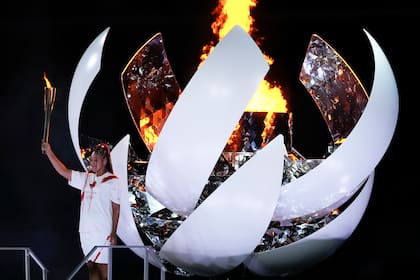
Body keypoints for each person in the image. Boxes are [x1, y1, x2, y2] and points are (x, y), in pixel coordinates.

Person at [41, 142, 121, 280]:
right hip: (85, 232)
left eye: (96, 160)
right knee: (92, 270)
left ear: (105, 161)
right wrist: (49, 152)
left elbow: (116, 208)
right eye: (91, 160)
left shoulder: (112, 181)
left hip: (102, 232)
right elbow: (63, 171)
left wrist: (113, 232)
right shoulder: (86, 178)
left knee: (103, 272)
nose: (93, 163)